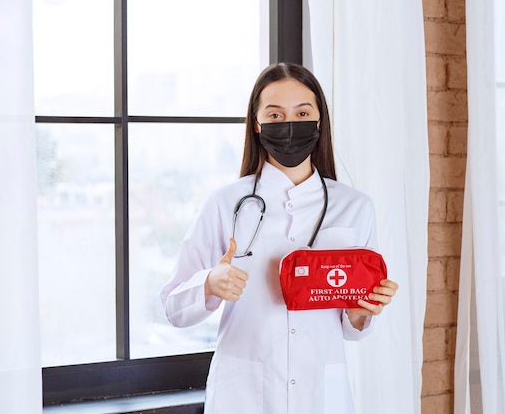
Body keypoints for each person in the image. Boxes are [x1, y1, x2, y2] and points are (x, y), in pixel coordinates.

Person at [160, 62, 399, 414]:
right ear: (257, 125)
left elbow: (354, 328)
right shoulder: (225, 204)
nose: (289, 124)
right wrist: (210, 283)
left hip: (321, 394)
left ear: (319, 122)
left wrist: (361, 313)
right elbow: (173, 308)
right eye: (275, 114)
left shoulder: (355, 207)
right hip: (242, 396)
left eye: (302, 112)